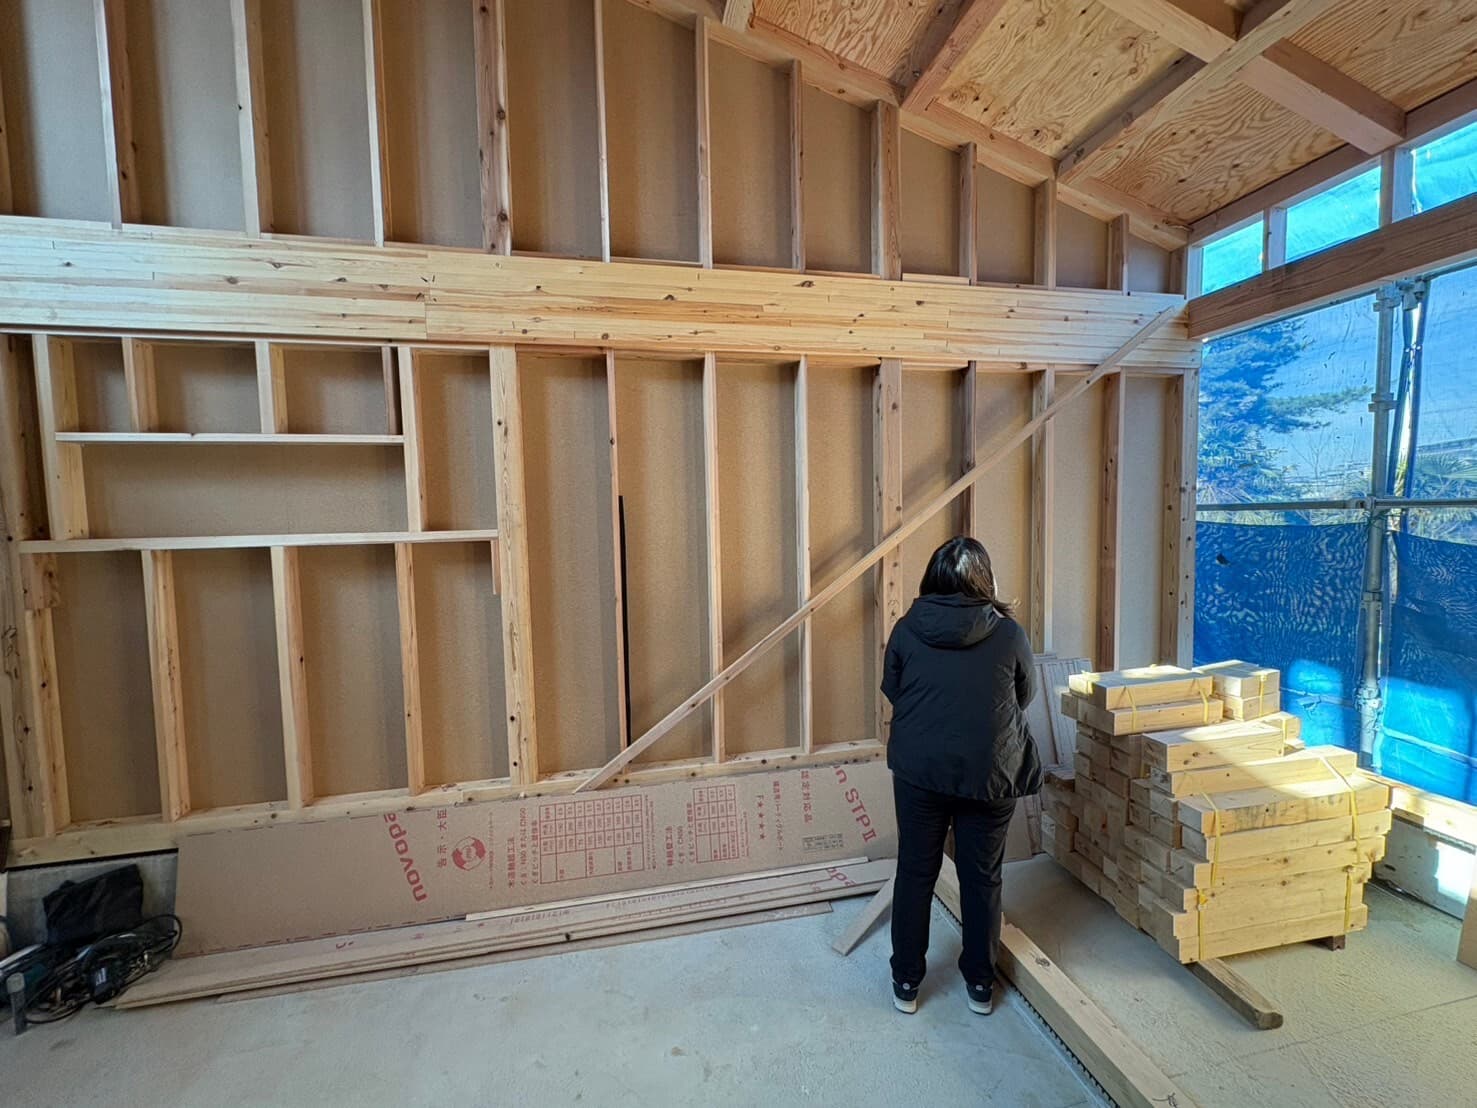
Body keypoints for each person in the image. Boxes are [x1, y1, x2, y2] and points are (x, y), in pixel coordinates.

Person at [881, 535, 1041, 1016]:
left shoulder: (906, 630)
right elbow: (1024, 695)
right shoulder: (1009, 634)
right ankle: (979, 985)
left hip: (919, 771)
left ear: (931, 579)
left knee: (915, 871)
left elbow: (893, 689)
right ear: (986, 582)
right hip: (989, 773)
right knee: (982, 877)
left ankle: (906, 983)